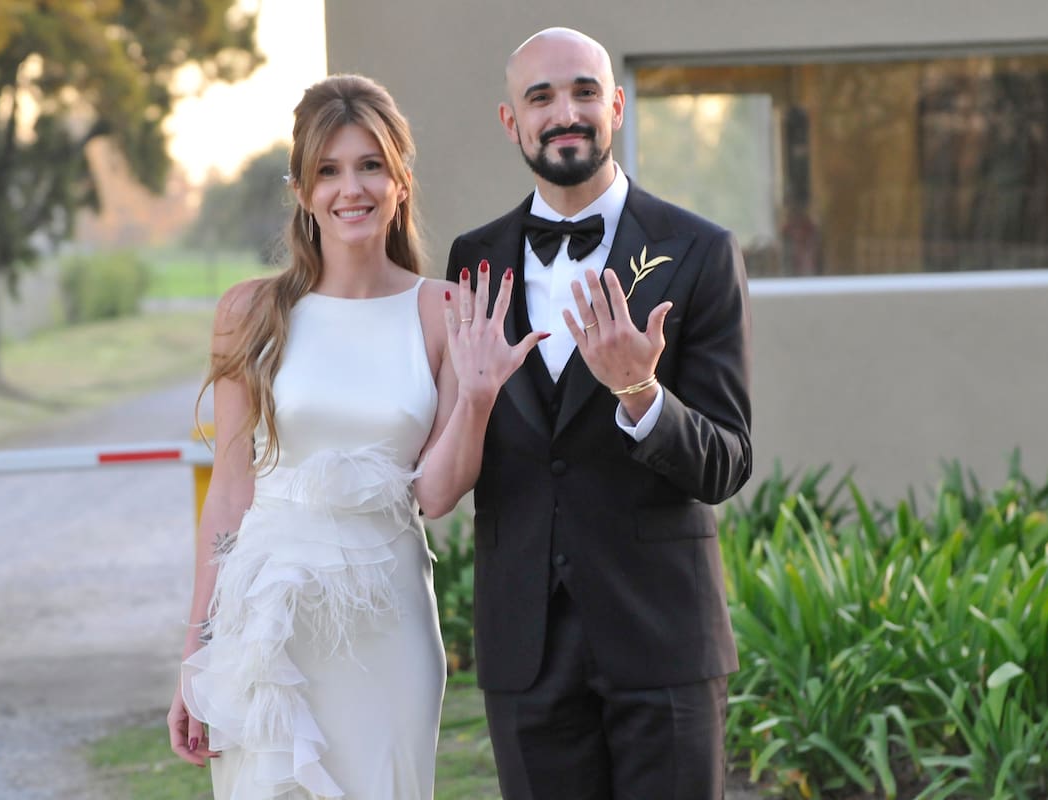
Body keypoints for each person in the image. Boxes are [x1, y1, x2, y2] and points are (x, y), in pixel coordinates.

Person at [166, 74, 547, 799]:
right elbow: (230, 496)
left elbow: (434, 495)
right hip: (268, 626)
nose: (352, 189)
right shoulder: (249, 311)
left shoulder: (444, 310)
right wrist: (197, 653)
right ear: (304, 191)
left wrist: (476, 396)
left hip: (389, 626)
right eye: (329, 171)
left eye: (371, 165)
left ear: (401, 180)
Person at [446, 28, 753, 799]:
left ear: (616, 105)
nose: (566, 112)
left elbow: (726, 461)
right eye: (540, 97)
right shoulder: (472, 259)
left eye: (584, 91)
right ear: (511, 122)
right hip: (525, 644)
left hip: (662, 639)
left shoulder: (699, 251)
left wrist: (642, 396)